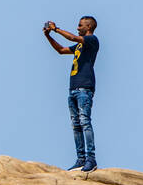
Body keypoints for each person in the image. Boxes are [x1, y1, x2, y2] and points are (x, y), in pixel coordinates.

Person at [43, 16, 100, 172]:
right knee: (76, 125)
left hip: (84, 88)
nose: (77, 27)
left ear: (88, 27)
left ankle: (91, 159)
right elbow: (61, 50)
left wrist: (56, 29)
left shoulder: (92, 40)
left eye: (80, 25)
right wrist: (48, 36)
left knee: (85, 122)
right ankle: (81, 159)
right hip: (73, 88)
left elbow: (74, 37)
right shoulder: (80, 46)